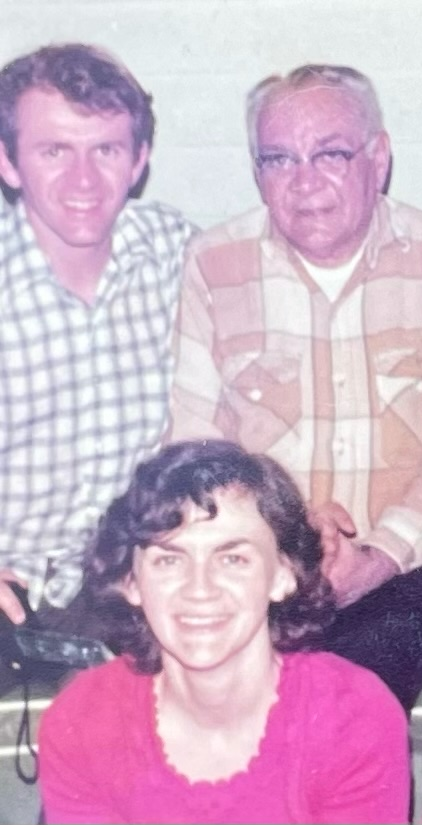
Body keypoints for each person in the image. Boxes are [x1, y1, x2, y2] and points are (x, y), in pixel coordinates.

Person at [168, 64, 422, 708]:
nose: (304, 183)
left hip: (403, 568)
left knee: (347, 714)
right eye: (279, 159)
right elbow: (197, 448)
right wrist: (273, 544)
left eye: (330, 154)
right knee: (209, 713)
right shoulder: (214, 265)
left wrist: (376, 555)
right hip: (256, 563)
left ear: (377, 159)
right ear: (255, 170)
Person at [38, 440, 409, 823]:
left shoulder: (352, 715)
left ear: (283, 575)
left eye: (232, 558)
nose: (200, 588)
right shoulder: (83, 720)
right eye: (169, 559)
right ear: (131, 581)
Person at [0, 44, 195, 634]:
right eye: (54, 150)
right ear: (8, 163)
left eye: (105, 150)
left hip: (131, 583)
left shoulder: (175, 253)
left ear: (139, 160)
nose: (83, 179)